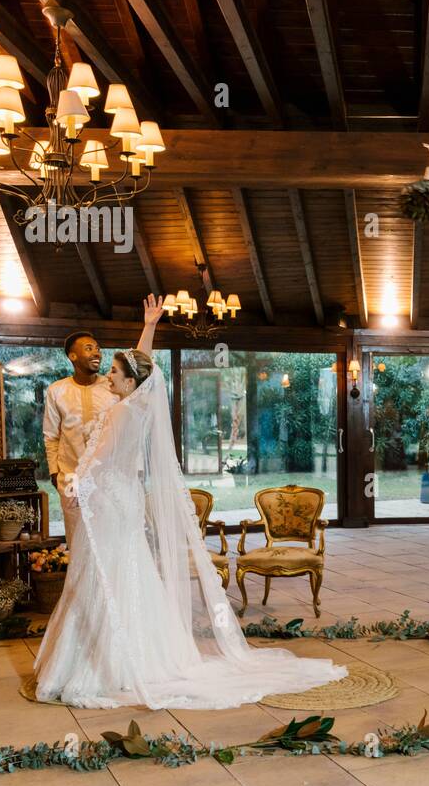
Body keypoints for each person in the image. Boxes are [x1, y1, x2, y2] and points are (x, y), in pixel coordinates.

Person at [34, 296, 347, 709]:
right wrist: (65, 477)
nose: (105, 368)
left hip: (106, 498)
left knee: (103, 573)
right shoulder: (116, 401)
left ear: (127, 381)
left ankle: (109, 664)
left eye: (112, 368)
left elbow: (106, 445)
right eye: (96, 356)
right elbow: (136, 369)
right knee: (124, 570)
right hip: (112, 498)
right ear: (73, 356)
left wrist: (76, 482)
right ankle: (139, 656)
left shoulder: (120, 408)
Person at [43, 329, 117, 549]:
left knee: (107, 543)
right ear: (72, 356)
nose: (97, 353)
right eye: (89, 348)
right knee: (77, 542)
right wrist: (55, 473)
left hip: (107, 479)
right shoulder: (57, 390)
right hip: (71, 478)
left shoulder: (112, 387)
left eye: (98, 349)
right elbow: (51, 436)